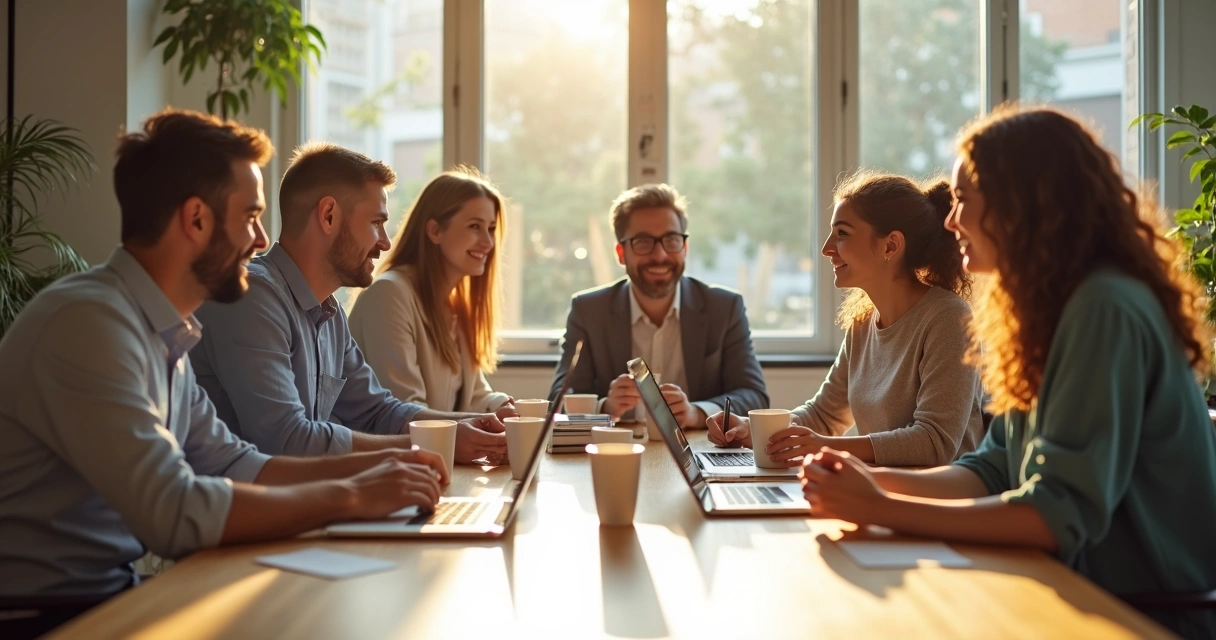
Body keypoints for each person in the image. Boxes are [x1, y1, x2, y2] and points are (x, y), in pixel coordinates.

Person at [0, 110, 446, 637]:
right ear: (196, 220)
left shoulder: (164, 333)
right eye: (250, 216)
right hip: (40, 617)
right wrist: (352, 494)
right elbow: (173, 513)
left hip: (107, 593)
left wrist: (387, 470)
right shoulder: (89, 324)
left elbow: (233, 463)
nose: (261, 240)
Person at [801, 106, 1216, 639]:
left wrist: (884, 507)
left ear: (1023, 205)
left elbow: (1055, 512)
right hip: (1070, 588)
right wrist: (868, 483)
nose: (951, 222)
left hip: (1138, 613)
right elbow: (993, 469)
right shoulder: (1048, 312)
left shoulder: (1102, 308)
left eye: (965, 202)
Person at [190, 143, 506, 464]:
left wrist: (472, 425)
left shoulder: (329, 311)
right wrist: (438, 443)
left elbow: (376, 411)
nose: (384, 242)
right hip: (244, 508)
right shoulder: (251, 297)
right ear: (329, 216)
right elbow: (286, 440)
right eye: (376, 223)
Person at [707, 171, 984, 467]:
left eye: (842, 233)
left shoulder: (948, 319)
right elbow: (823, 415)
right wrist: (756, 431)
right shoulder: (862, 322)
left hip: (936, 504)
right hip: (879, 494)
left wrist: (826, 447)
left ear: (890, 246)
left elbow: (934, 442)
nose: (827, 247)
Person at [548, 183, 768, 428]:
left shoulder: (724, 308)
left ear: (685, 247)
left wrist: (696, 413)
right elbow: (558, 402)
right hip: (616, 452)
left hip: (698, 453)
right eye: (643, 242)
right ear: (621, 253)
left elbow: (754, 397)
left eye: (671, 240)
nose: (660, 255)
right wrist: (606, 408)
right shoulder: (588, 311)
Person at [348, 168, 516, 420]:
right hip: (392, 457)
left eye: (491, 228)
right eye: (474, 226)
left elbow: (474, 397)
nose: (488, 242)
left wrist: (504, 406)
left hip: (436, 456)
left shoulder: (455, 307)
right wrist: (483, 421)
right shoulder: (388, 295)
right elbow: (407, 411)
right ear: (435, 231)